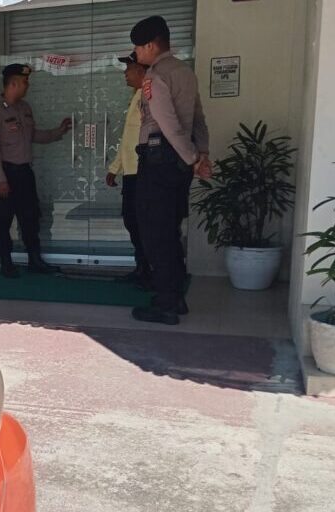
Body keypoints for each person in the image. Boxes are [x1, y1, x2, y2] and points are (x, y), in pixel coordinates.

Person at [129, 15, 211, 325]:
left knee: (155, 234)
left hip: (160, 162)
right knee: (170, 231)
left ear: (151, 45)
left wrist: (194, 159)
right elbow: (198, 118)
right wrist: (201, 153)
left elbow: (169, 125)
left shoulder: (156, 76)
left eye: (139, 47)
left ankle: (166, 304)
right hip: (177, 166)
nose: (136, 53)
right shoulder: (185, 72)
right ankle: (174, 297)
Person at [0, 64, 73, 278]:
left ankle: (35, 260)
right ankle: (6, 262)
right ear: (13, 84)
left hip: (24, 173)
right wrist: (0, 180)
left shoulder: (25, 108)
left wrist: (58, 132)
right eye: (24, 82)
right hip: (5, 174)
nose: (27, 85)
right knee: (3, 221)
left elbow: (32, 136)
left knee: (30, 218)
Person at [105, 52, 150, 288]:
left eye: (129, 68)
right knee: (132, 221)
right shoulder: (137, 96)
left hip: (144, 173)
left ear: (141, 71)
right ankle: (142, 268)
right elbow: (128, 139)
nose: (125, 73)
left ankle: (150, 271)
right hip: (132, 172)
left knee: (143, 224)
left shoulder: (150, 96)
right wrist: (115, 168)